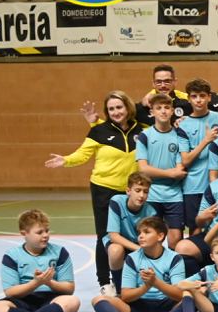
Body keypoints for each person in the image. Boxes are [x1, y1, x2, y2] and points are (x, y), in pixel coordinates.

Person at [45, 91, 145, 290]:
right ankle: (105, 282)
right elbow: (82, 155)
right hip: (104, 189)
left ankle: (129, 279)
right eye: (111, 109)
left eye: (119, 107)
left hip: (131, 191)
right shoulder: (99, 131)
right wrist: (65, 160)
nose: (116, 112)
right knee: (105, 236)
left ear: (127, 107)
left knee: (133, 234)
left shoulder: (142, 130)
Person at [0, 209, 82, 312]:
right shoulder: (12, 256)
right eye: (39, 232)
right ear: (24, 233)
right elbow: (11, 292)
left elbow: (69, 289)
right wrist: (35, 283)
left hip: (51, 299)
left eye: (47, 231)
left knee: (72, 301)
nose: (45, 235)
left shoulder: (59, 252)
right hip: (24, 300)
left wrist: (49, 283)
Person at [92, 216, 186, 312]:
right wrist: (146, 287)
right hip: (139, 307)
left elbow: (179, 294)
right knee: (98, 300)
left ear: (160, 236)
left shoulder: (174, 258)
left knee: (195, 296)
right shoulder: (132, 258)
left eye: (146, 232)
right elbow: (125, 296)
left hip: (167, 306)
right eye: (139, 233)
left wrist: (156, 282)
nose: (141, 236)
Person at [137, 93, 205, 248]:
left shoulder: (179, 134)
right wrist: (170, 173)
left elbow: (180, 169)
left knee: (175, 240)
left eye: (167, 107)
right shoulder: (144, 136)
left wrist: (170, 173)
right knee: (150, 238)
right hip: (151, 194)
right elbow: (143, 168)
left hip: (174, 195)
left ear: (173, 111)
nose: (163, 111)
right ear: (152, 112)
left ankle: (173, 270)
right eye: (158, 108)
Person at [177, 79, 218, 234]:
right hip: (193, 187)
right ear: (189, 99)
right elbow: (186, 160)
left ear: (209, 97)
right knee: (196, 230)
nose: (198, 100)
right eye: (194, 96)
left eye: (202, 96)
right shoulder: (183, 125)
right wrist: (206, 140)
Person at [101, 173, 158, 294]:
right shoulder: (116, 202)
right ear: (128, 191)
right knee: (116, 251)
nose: (141, 195)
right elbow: (114, 236)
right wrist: (138, 249)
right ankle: (118, 288)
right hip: (121, 242)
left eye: (145, 191)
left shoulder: (151, 212)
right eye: (137, 190)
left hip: (139, 243)